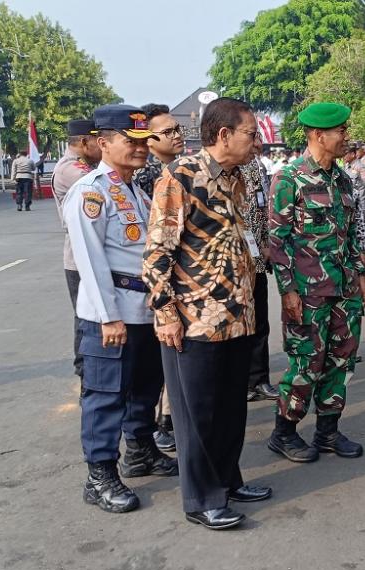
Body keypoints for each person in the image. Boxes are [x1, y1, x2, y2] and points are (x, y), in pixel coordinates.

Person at [143, 97, 271, 530]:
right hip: (196, 320)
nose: (256, 142)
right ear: (223, 135)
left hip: (238, 315)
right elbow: (158, 253)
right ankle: (201, 498)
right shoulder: (179, 178)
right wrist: (166, 315)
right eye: (250, 134)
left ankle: (228, 480)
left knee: (232, 408)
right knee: (198, 414)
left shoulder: (236, 178)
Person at [63, 104, 178, 514]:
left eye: (143, 140)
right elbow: (90, 260)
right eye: (129, 141)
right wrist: (108, 316)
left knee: (145, 388)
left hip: (143, 309)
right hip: (110, 313)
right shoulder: (91, 191)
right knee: (105, 394)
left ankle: (141, 451)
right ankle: (100, 476)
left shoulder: (134, 188)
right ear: (102, 142)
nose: (140, 148)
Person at [266, 102, 365, 464]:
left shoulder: (342, 179)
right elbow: (277, 241)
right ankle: (284, 432)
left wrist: (361, 276)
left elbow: (352, 233)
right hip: (307, 293)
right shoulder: (289, 178)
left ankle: (328, 431)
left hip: (344, 289)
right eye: (340, 131)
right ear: (317, 135)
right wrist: (288, 291)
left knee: (341, 361)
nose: (346, 137)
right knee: (305, 363)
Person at [131, 103, 188, 452]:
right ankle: (153, 429)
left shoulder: (184, 169)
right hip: (157, 283)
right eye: (167, 132)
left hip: (182, 281)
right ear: (149, 141)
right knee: (154, 362)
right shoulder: (149, 177)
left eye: (177, 129)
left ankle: (167, 421)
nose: (177, 135)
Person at [52, 119, 102, 379]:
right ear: (84, 142)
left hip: (92, 252)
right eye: (99, 140)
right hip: (79, 257)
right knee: (86, 316)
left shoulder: (86, 166)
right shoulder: (71, 170)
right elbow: (105, 188)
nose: (103, 146)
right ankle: (85, 372)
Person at [241, 150, 280, 403]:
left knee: (261, 324)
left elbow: (262, 208)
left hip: (257, 256)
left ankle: (259, 379)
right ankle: (241, 381)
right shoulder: (223, 168)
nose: (257, 140)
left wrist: (266, 243)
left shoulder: (254, 165)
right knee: (241, 326)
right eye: (251, 134)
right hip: (235, 261)